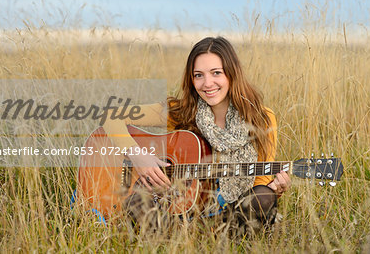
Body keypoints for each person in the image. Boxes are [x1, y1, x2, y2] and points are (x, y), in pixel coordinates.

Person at [103, 36, 291, 234]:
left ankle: (208, 235)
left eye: (216, 73)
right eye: (198, 75)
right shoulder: (181, 111)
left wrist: (273, 189)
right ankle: (188, 233)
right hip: (178, 204)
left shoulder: (261, 117)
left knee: (263, 197)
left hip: (228, 209)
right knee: (136, 203)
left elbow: (259, 181)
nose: (207, 83)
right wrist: (137, 155)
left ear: (232, 73)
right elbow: (111, 115)